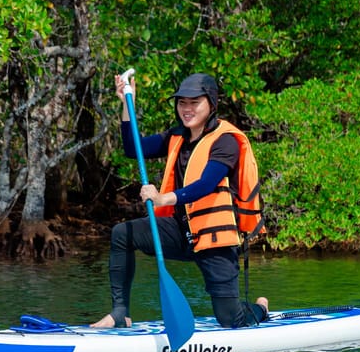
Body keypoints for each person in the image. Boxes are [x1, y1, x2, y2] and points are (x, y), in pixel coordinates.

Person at [91, 72, 268, 330]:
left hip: (214, 239)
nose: (187, 109)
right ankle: (120, 313)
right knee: (122, 234)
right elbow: (133, 148)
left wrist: (162, 198)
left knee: (231, 320)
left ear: (212, 104)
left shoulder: (226, 140)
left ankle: (260, 308)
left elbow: (207, 184)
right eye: (182, 102)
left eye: (194, 102)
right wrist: (126, 104)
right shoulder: (177, 136)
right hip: (180, 231)